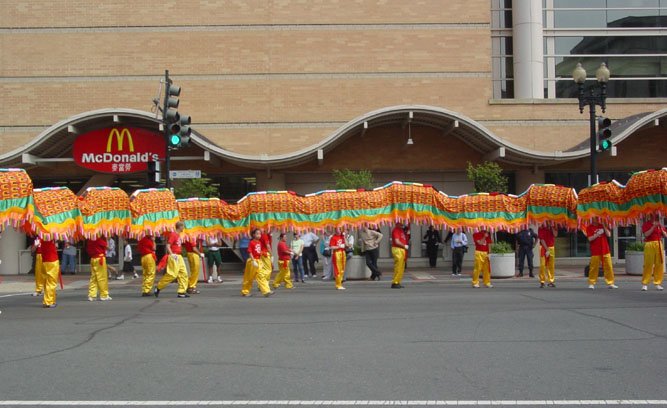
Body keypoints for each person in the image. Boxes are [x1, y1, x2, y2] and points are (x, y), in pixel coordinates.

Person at [154, 221, 190, 298]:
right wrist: (172, 254)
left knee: (183, 274)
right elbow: (168, 245)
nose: (183, 228)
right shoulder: (173, 235)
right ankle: (158, 287)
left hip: (179, 256)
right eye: (183, 226)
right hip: (174, 256)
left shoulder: (178, 235)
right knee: (172, 274)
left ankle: (181, 292)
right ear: (180, 227)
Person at [586, 218, 618, 290]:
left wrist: (604, 226)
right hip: (595, 250)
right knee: (594, 267)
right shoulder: (589, 227)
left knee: (608, 266)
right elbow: (590, 239)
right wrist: (597, 234)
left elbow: (609, 235)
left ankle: (611, 283)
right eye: (594, 218)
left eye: (597, 218)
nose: (596, 219)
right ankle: (591, 283)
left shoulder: (602, 225)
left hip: (605, 249)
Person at [241, 228, 273, 297]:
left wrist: (261, 261)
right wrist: (253, 261)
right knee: (249, 277)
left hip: (258, 260)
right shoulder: (251, 242)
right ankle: (245, 291)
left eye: (260, 234)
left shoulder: (259, 243)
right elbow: (250, 252)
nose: (259, 235)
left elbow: (259, 253)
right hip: (252, 261)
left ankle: (266, 291)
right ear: (253, 235)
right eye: (257, 234)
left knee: (261, 275)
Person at [641, 213, 666, 291]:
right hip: (649, 244)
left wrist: (661, 228)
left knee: (659, 264)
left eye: (654, 216)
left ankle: (657, 283)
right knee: (648, 264)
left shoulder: (660, 224)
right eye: (651, 216)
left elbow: (665, 235)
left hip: (658, 243)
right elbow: (646, 234)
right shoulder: (645, 224)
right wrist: (653, 227)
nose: (653, 218)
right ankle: (645, 283)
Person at [86, 235, 111, 301]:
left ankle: (92, 295)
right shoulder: (98, 239)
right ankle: (104, 295)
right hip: (100, 258)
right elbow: (107, 246)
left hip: (93, 259)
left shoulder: (90, 240)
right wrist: (106, 239)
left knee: (94, 277)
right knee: (102, 277)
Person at [40, 239, 60, 308]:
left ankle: (48, 300)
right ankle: (49, 301)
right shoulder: (50, 238)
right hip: (52, 261)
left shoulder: (42, 238)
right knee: (51, 283)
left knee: (46, 282)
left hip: (45, 261)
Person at [538, 223, 558, 288]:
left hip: (551, 247)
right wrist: (547, 250)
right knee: (542, 265)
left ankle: (551, 281)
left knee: (551, 265)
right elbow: (541, 239)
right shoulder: (541, 227)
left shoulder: (554, 226)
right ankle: (542, 281)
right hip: (543, 247)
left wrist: (552, 227)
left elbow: (555, 235)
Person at [391, 222, 409, 289]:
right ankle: (395, 282)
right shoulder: (395, 230)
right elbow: (397, 241)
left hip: (402, 249)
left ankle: (398, 281)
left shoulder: (401, 230)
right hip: (398, 249)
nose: (402, 224)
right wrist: (404, 246)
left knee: (401, 267)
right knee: (398, 266)